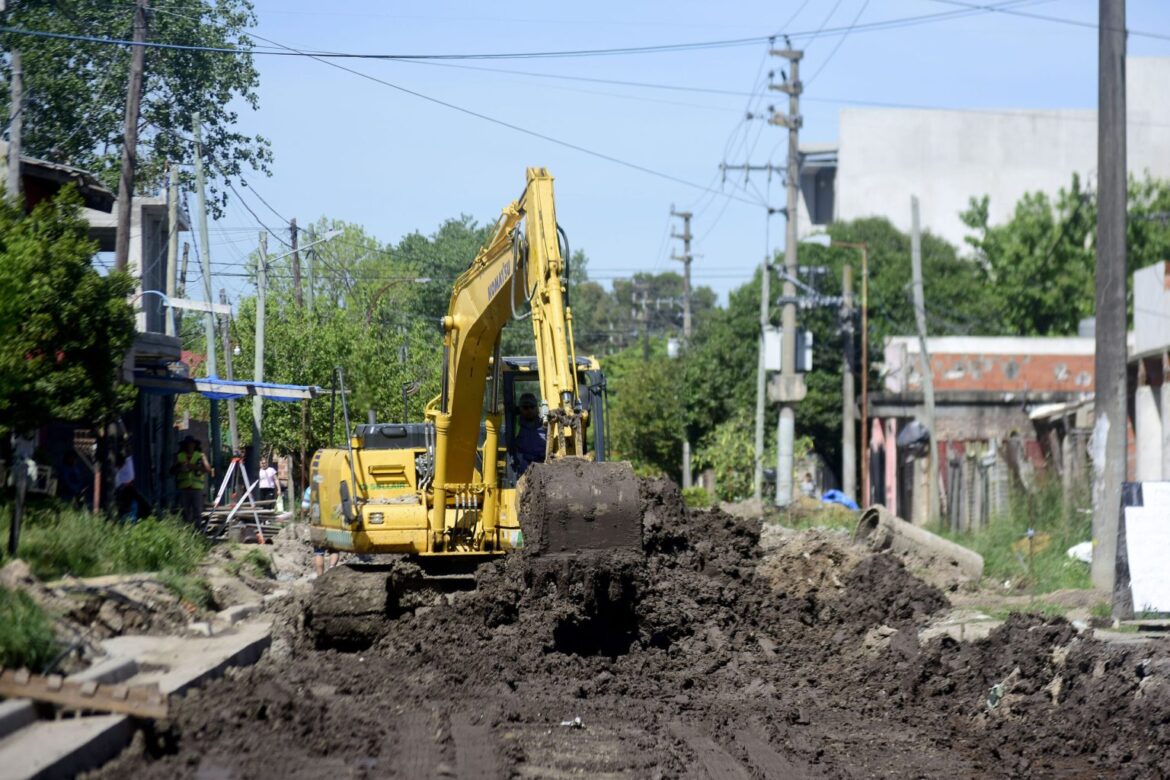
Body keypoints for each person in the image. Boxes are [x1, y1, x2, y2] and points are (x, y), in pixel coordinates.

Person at [173, 436, 212, 526]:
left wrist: (192, 466)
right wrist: (180, 468)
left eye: (191, 444)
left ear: (195, 445)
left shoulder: (201, 455)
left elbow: (208, 470)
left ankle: (197, 532)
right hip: (184, 488)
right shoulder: (179, 456)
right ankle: (187, 532)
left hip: (196, 488)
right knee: (185, 512)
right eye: (187, 444)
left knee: (197, 512)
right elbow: (172, 471)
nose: (189, 446)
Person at [512, 392, 546, 476]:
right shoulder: (516, 425)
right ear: (520, 409)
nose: (529, 410)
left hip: (543, 463)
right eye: (526, 407)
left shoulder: (545, 423)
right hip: (524, 465)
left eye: (532, 407)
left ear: (537, 408)